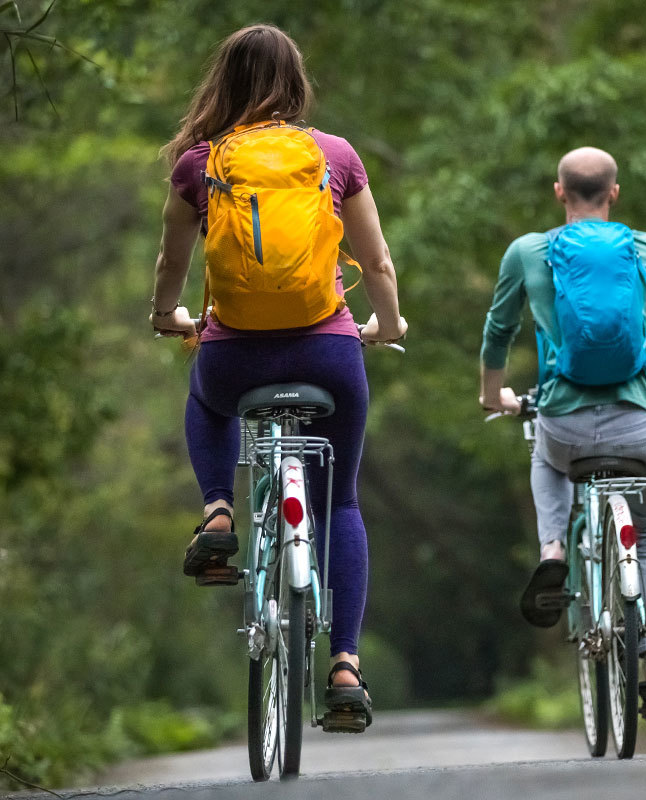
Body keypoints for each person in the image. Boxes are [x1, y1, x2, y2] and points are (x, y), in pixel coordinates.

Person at [150, 23, 407, 729]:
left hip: (235, 354)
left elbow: (172, 269)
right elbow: (378, 263)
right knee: (340, 506)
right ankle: (346, 668)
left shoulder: (198, 163)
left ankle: (217, 509)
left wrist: (166, 314)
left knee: (206, 403)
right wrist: (388, 324)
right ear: (296, 83)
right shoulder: (334, 155)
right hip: (328, 351)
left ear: (222, 83)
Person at [479, 146, 646, 727]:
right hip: (639, 426)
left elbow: (497, 332)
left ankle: (553, 550)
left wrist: (491, 395)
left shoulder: (529, 251)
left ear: (560, 193)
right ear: (614, 193)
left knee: (545, 459)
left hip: (565, 426)